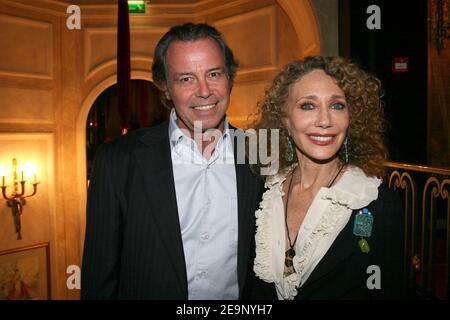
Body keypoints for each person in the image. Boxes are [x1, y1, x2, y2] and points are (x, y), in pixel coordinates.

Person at [81, 23, 264, 299]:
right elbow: (99, 280)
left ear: (230, 78)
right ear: (166, 88)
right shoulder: (117, 162)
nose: (204, 91)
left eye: (214, 74)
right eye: (186, 79)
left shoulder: (260, 153)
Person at [250, 56, 405, 299]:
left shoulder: (377, 202)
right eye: (308, 106)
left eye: (337, 105)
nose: (325, 121)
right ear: (285, 119)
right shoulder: (264, 192)